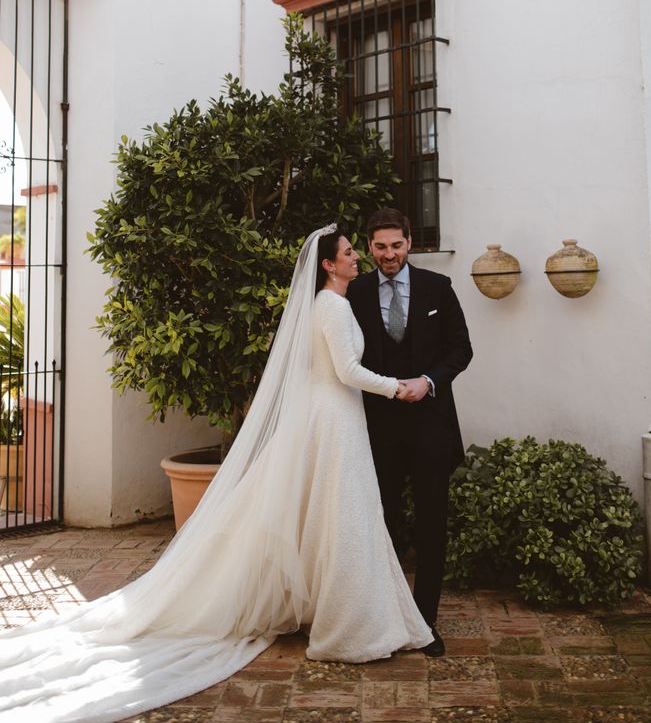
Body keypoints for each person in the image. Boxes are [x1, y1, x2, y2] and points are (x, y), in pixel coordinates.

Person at [0, 225, 434, 723]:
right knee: (345, 514)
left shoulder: (333, 305)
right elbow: (347, 373)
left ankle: (350, 613)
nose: (359, 258)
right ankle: (352, 628)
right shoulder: (332, 307)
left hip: (336, 416)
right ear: (328, 266)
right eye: (350, 253)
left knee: (341, 513)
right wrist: (397, 387)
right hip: (334, 417)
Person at [347, 208, 473, 657]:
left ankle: (426, 621)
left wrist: (429, 381)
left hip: (431, 428)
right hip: (377, 430)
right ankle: (386, 616)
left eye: (396, 245)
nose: (388, 254)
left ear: (409, 244)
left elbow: (462, 348)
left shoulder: (438, 288)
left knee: (431, 524)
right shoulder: (355, 292)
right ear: (369, 247)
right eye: (380, 246)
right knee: (383, 523)